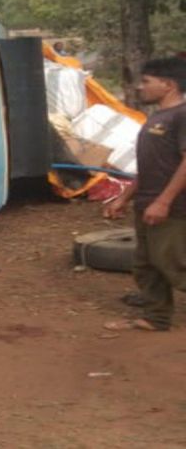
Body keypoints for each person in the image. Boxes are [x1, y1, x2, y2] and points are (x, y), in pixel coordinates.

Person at [103, 58, 186, 332]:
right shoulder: (157, 117)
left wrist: (164, 201)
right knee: (146, 265)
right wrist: (123, 198)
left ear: (168, 85)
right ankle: (156, 318)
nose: (141, 87)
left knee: (174, 265)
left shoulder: (181, 116)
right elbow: (151, 166)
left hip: (173, 208)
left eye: (147, 81)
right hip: (147, 203)